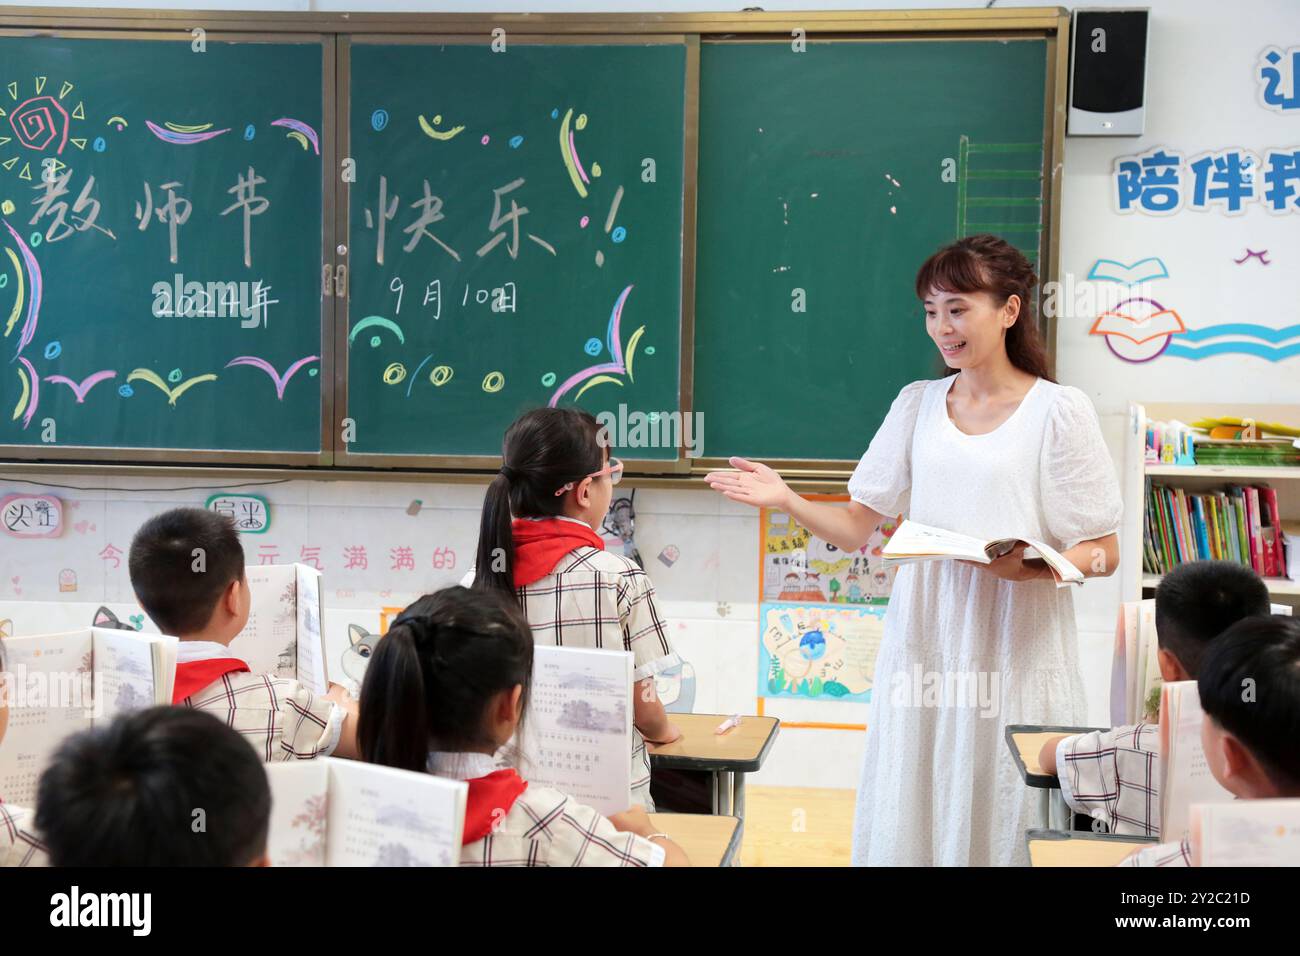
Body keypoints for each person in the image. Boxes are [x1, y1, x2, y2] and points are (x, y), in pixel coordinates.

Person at [707, 234, 1123, 865]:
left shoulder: (1059, 412)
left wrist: (1036, 569)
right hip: (928, 630)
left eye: (958, 309)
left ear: (1010, 311)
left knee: (1005, 794)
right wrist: (787, 499)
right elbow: (854, 527)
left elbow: (1104, 551)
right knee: (918, 791)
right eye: (931, 311)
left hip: (1018, 637)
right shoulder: (916, 404)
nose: (941, 328)